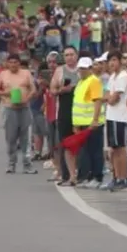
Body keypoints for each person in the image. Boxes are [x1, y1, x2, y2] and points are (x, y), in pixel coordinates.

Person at [0, 53, 37, 175]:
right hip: (9, 108)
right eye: (10, 62)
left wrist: (27, 99)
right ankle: (11, 164)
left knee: (26, 138)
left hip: (24, 108)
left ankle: (27, 165)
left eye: (15, 62)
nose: (13, 64)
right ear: (7, 63)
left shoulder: (26, 73)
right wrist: (5, 93)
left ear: (19, 63)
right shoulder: (3, 74)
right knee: (11, 138)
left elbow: (33, 89)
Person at [67, 56, 105, 188]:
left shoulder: (93, 81)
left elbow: (97, 101)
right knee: (87, 151)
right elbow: (77, 104)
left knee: (95, 151)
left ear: (90, 69)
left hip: (92, 123)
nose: (82, 71)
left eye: (84, 68)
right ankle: (89, 176)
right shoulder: (81, 82)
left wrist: (94, 120)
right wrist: (76, 124)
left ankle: (97, 176)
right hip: (82, 123)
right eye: (80, 68)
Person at [103, 51, 127, 192]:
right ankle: (116, 177)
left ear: (120, 61)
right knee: (113, 148)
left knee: (120, 148)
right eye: (110, 61)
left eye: (114, 60)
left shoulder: (122, 76)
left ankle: (123, 177)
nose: (111, 63)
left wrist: (108, 98)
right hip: (111, 116)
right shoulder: (112, 77)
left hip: (120, 116)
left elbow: (114, 99)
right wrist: (108, 98)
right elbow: (107, 94)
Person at [51, 47, 80, 185]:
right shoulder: (59, 71)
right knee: (66, 143)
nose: (69, 57)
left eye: (72, 55)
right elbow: (52, 90)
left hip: (80, 111)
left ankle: (82, 173)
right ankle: (69, 175)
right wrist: (62, 89)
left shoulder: (82, 69)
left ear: (76, 55)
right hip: (64, 109)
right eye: (66, 55)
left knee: (80, 144)